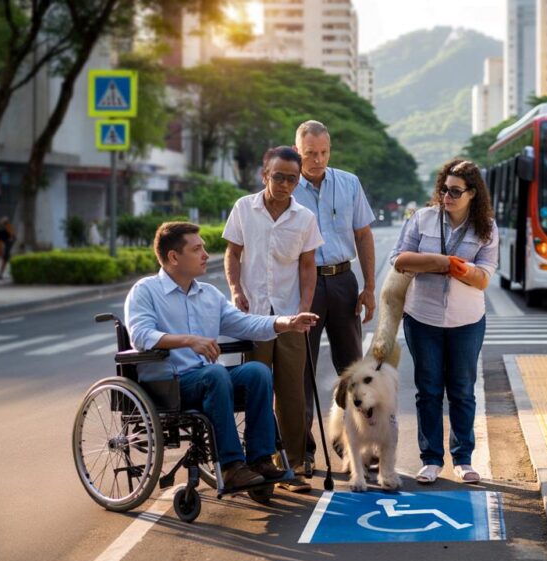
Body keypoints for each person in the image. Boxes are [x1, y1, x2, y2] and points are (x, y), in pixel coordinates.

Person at [125, 221, 318, 491]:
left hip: (209, 380)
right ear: (173, 257)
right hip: (170, 384)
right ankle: (231, 467)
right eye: (197, 249)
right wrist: (188, 341)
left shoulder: (209, 295)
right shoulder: (146, 291)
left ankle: (261, 459)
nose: (206, 254)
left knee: (257, 372)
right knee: (215, 373)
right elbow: (141, 336)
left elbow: (246, 324)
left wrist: (287, 323)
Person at [390, 159, 499, 485]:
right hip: (422, 318)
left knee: (463, 390)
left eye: (455, 191)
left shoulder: (487, 228)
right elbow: (399, 259)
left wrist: (449, 267)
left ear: (472, 194)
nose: (446, 196)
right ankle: (431, 459)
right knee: (428, 390)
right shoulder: (423, 219)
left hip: (467, 320)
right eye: (443, 189)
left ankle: (464, 459)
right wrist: (443, 262)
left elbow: (483, 279)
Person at [223, 146, 323, 492]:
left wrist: (305, 307)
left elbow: (308, 266)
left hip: (291, 315)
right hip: (253, 317)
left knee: (292, 391)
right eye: (277, 176)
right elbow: (232, 253)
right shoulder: (243, 209)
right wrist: (236, 289)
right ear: (264, 174)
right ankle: (258, 462)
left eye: (291, 179)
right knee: (258, 389)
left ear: (298, 180)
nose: (284, 184)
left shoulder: (304, 218)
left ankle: (293, 464)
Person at [292, 120, 377, 476]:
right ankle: (303, 452)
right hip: (302, 286)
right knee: (301, 372)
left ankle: (353, 447)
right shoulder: (285, 187)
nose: (318, 159)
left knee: (353, 371)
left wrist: (369, 287)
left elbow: (363, 235)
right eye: (310, 153)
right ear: (298, 151)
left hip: (343, 280)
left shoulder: (349, 183)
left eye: (324, 152)